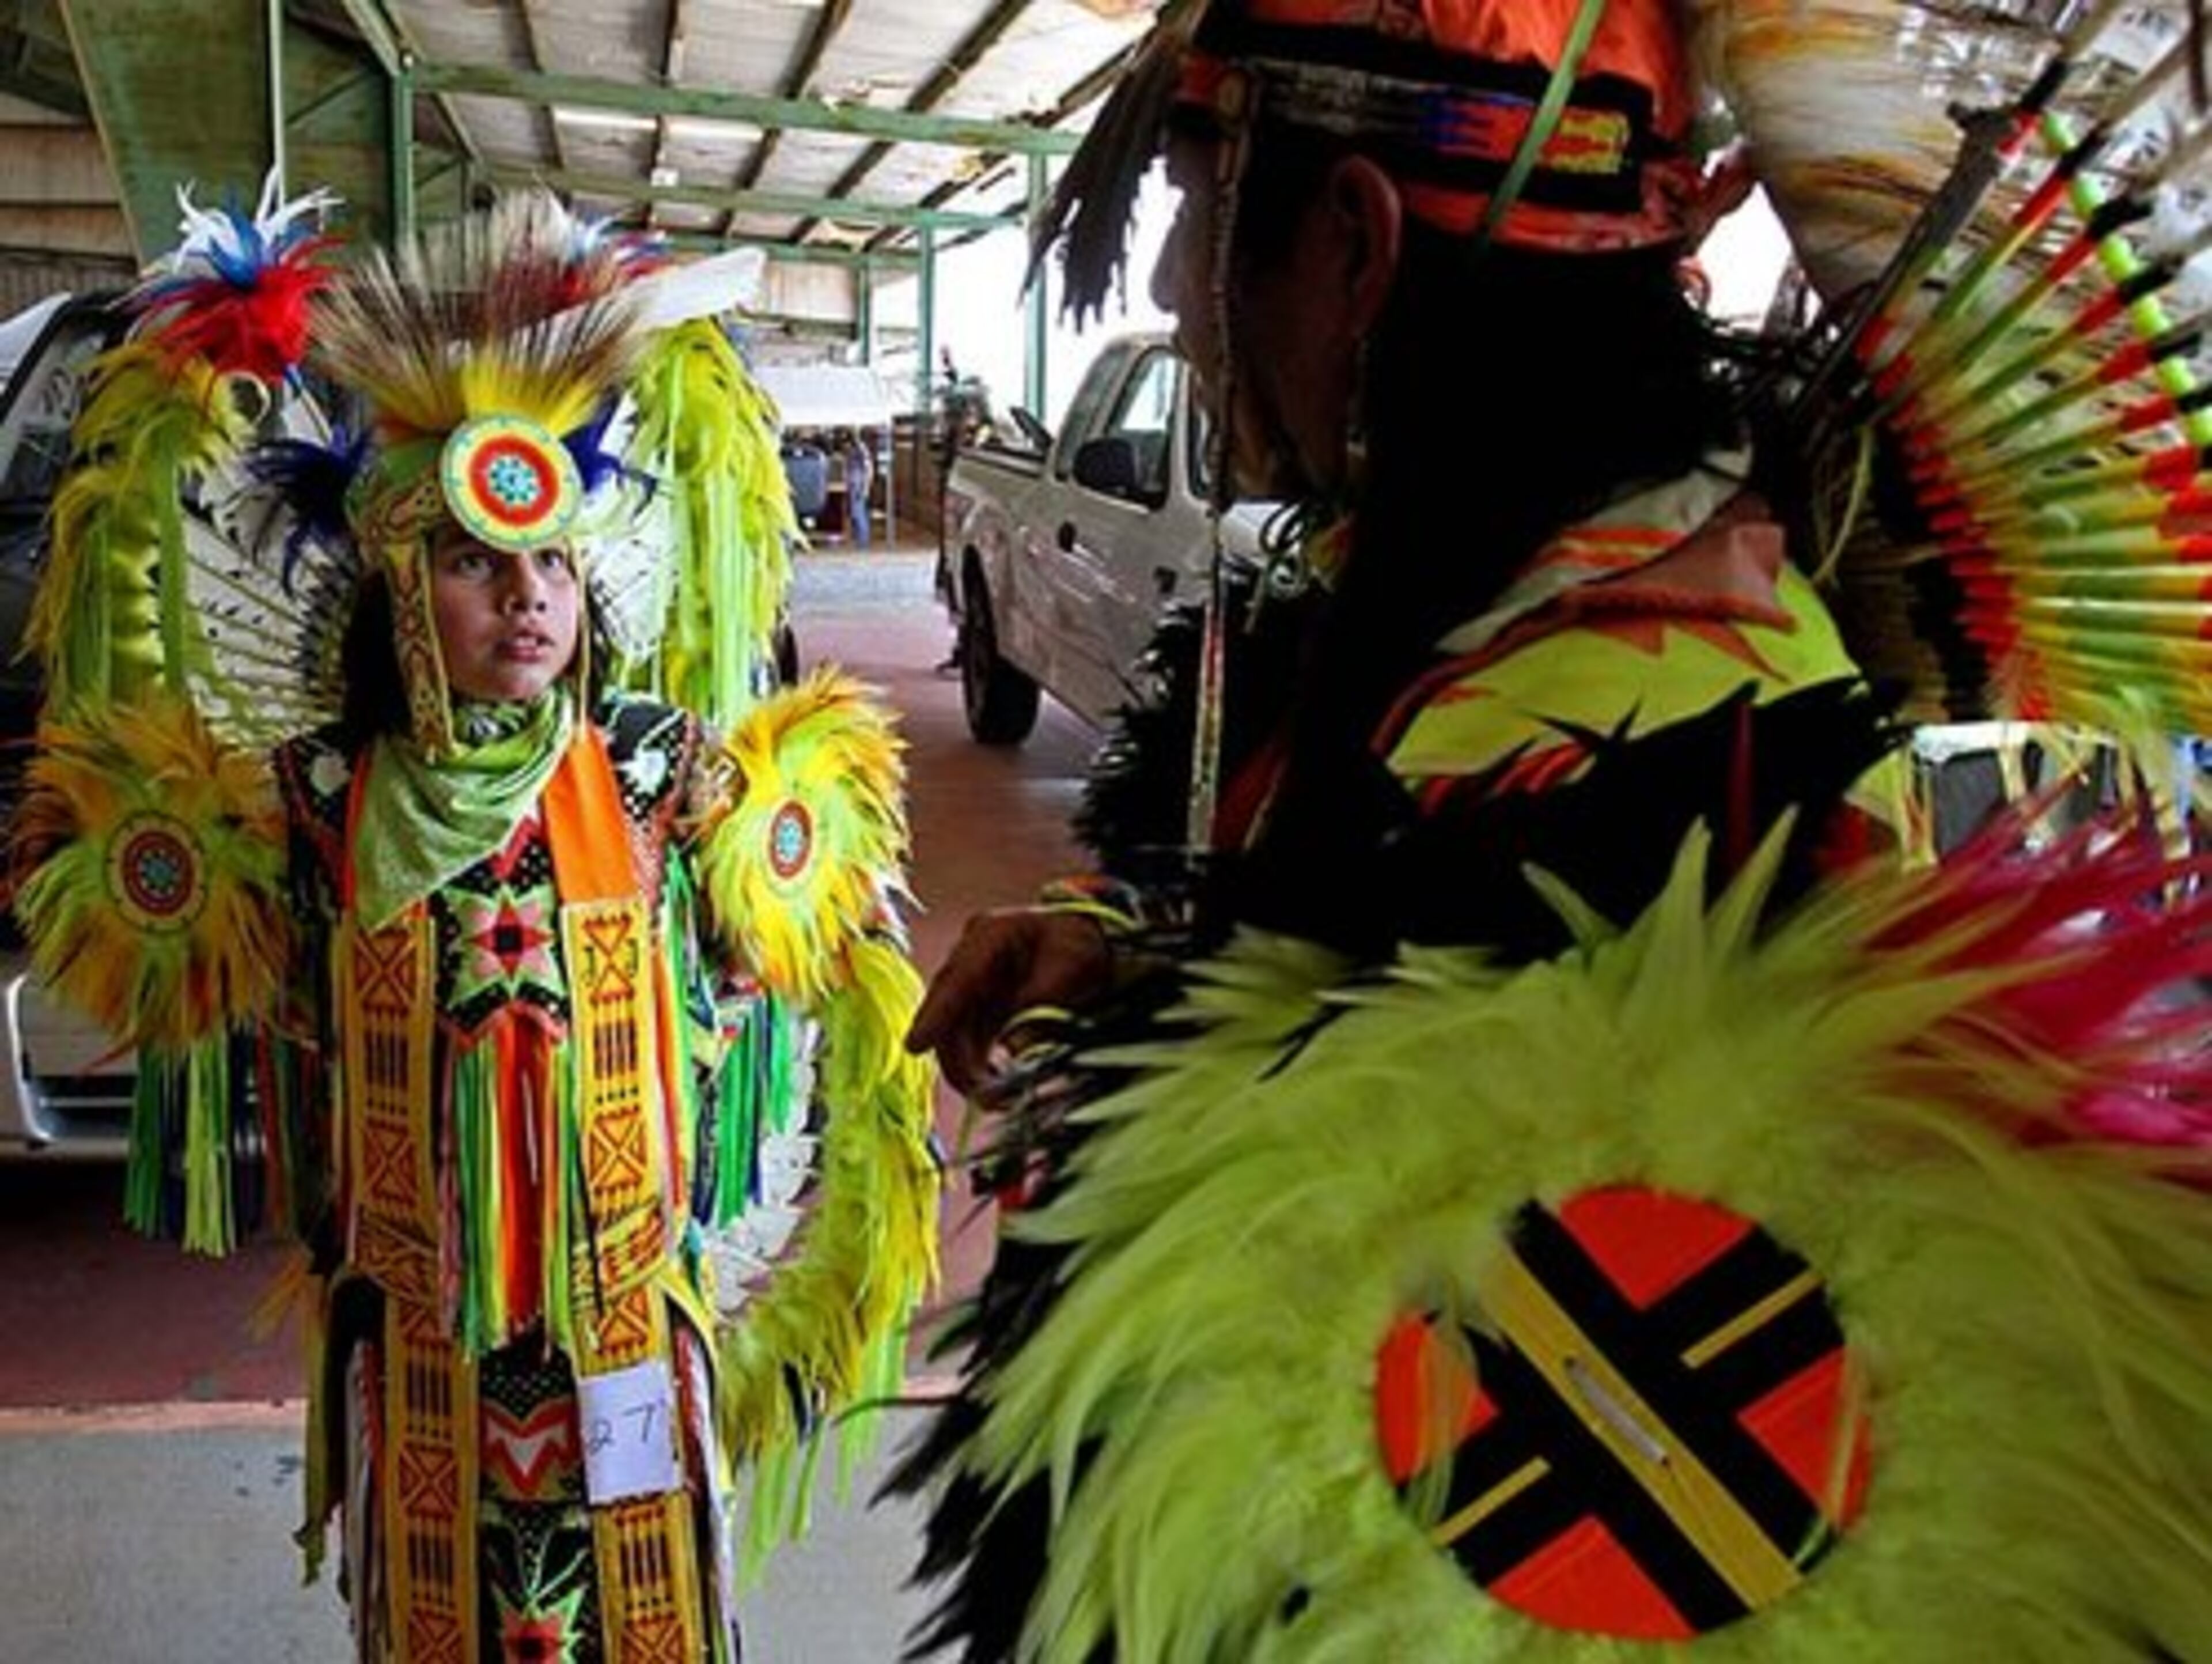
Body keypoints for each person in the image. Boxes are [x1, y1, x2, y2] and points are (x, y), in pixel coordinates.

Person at [891, 1, 2212, 1659]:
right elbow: (1395, 1010)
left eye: (1193, 214)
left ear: (1356, 243)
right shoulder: (1512, 644)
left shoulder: (1655, 759)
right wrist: (1150, 952)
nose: (1169, 296)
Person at [10, 188, 939, 1662]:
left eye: (553, 563)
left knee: (644, 1622)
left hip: (624, 1328)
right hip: (425, 1344)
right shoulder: (320, 798)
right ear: (397, 589)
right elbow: (165, 923)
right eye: (474, 563)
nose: (526, 598)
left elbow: (787, 958)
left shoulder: (653, 768)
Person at [842, 427, 874, 548]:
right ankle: (860, 540)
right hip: (855, 485)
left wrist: (866, 488)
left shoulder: (860, 450)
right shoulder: (857, 450)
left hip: (858, 486)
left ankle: (863, 541)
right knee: (856, 512)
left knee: (858, 513)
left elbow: (868, 470)